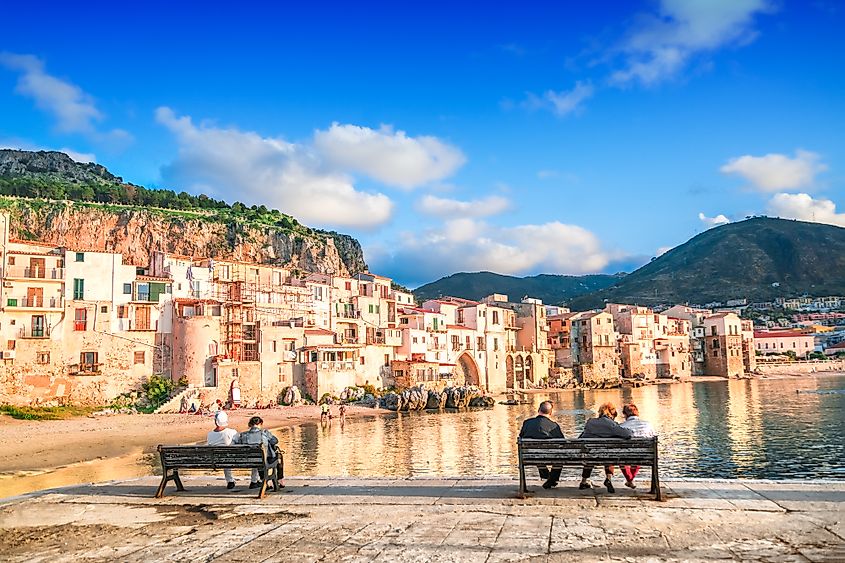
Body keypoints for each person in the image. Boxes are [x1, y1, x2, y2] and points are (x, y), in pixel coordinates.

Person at [578, 402, 632, 493]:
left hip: (591, 455)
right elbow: (628, 434)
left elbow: (581, 438)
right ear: (612, 414)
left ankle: (584, 481)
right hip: (607, 456)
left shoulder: (590, 422)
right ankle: (608, 478)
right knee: (609, 454)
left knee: (591, 455)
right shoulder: (611, 424)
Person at [519, 401, 565, 489]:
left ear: (538, 410)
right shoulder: (554, 426)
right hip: (549, 456)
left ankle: (548, 477)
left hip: (529, 456)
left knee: (536, 453)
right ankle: (551, 479)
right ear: (551, 412)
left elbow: (521, 437)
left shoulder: (527, 423)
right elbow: (562, 442)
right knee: (559, 458)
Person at [235, 415, 282, 489]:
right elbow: (275, 441)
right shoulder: (264, 433)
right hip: (264, 460)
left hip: (248, 460)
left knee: (257, 458)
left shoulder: (243, 435)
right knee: (278, 457)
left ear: (250, 424)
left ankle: (257, 481)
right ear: (260, 424)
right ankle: (279, 479)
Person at [619, 403, 656, 489]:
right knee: (639, 455)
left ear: (624, 414)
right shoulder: (648, 424)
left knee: (622, 459)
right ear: (637, 413)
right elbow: (654, 436)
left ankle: (630, 480)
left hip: (626, 455)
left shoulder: (621, 427)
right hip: (646, 456)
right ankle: (630, 480)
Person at [206, 411, 238, 490]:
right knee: (227, 456)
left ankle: (230, 480)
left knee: (223, 457)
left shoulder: (210, 434)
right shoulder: (231, 432)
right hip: (233, 459)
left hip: (215, 460)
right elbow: (239, 441)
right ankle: (255, 480)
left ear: (216, 422)